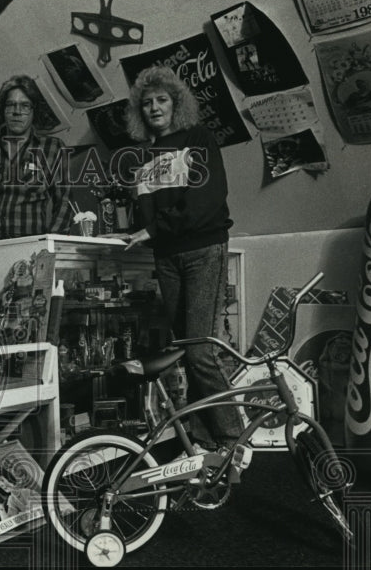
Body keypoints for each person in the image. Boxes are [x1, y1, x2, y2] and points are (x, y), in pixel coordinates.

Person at [105, 65, 243, 452]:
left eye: (161, 100)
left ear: (176, 103)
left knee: (201, 351)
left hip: (202, 249)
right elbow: (149, 211)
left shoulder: (198, 137)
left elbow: (206, 198)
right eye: (146, 103)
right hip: (167, 257)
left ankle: (233, 439)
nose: (154, 108)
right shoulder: (144, 156)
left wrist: (152, 229)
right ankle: (201, 440)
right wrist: (138, 229)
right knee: (185, 349)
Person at [0, 75, 73, 241]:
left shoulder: (52, 148)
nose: (17, 111)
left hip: (32, 247)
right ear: (3, 110)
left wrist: (49, 245)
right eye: (10, 105)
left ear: (34, 111)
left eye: (25, 105)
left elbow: (65, 202)